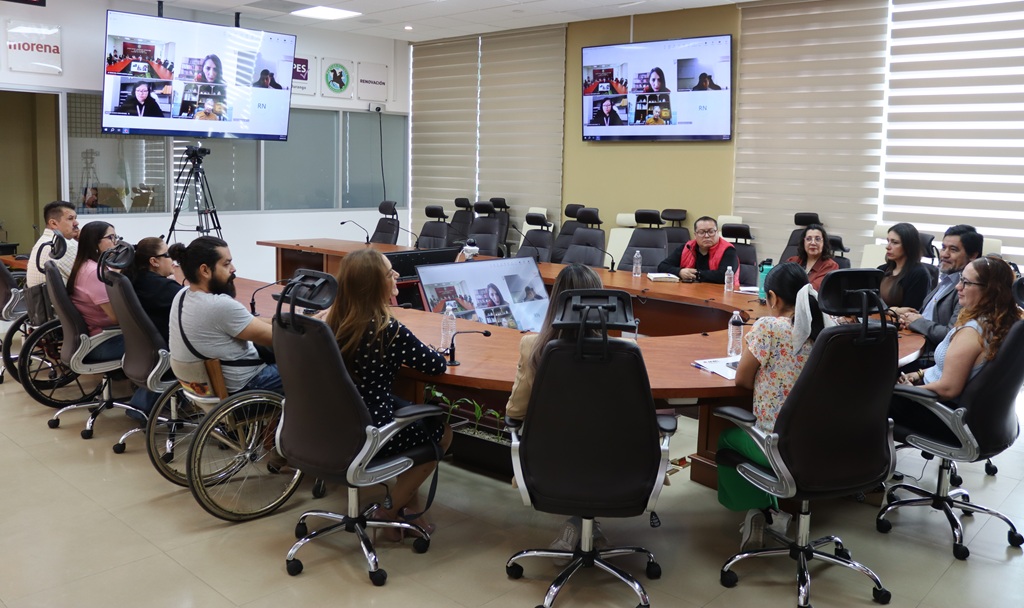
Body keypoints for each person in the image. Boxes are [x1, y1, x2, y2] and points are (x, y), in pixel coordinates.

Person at [325, 249, 450, 536]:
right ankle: (390, 511)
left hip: (335, 421)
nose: (395, 276)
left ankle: (408, 512)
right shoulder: (387, 328)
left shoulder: (331, 321)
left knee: (413, 415)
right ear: (373, 285)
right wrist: (431, 349)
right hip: (371, 426)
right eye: (388, 273)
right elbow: (436, 366)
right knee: (439, 434)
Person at [717, 262, 829, 550]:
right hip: (820, 443)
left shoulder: (769, 327)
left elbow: (742, 380)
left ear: (773, 297)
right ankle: (774, 513)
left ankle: (758, 512)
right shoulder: (825, 331)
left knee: (728, 439)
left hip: (777, 445)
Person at [505, 264, 605, 562]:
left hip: (549, 461)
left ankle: (579, 524)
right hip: (613, 461)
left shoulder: (533, 347)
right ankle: (584, 523)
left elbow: (516, 410)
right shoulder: (624, 351)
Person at [892, 256, 1021, 435]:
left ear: (991, 290)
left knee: (866, 397)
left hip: (942, 415)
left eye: (966, 283)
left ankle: (866, 459)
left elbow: (948, 389)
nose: (957, 287)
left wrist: (909, 390)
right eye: (961, 279)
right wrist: (919, 374)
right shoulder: (1002, 321)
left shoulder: (973, 332)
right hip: (966, 414)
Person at [168, 236, 282, 395]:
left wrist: (290, 320)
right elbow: (279, 338)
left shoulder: (181, 296)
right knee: (311, 363)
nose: (233, 268)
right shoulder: (219, 305)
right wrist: (313, 327)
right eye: (226, 264)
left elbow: (248, 321)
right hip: (246, 387)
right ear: (205, 270)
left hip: (204, 389)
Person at [892, 225, 982, 370]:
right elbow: (925, 316)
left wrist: (917, 322)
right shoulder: (945, 280)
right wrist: (908, 319)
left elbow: (952, 335)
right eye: (943, 247)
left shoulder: (967, 290)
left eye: (953, 250)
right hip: (914, 344)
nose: (944, 254)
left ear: (973, 256)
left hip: (930, 360)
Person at [67, 221, 124, 361]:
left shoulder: (86, 265)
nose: (115, 242)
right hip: (102, 341)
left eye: (116, 237)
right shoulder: (94, 273)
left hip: (97, 335)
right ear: (95, 242)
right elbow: (116, 318)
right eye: (111, 238)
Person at [657, 216, 740, 287]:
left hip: (720, 294)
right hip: (691, 292)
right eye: (701, 232)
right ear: (695, 235)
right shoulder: (687, 247)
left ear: (717, 233)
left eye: (711, 232)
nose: (707, 236)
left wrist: (696, 274)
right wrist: (680, 272)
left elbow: (723, 276)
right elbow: (662, 266)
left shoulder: (728, 250)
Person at [131, 236, 184, 345]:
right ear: (154, 261)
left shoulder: (138, 279)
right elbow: (196, 303)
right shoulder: (163, 287)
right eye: (168, 255)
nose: (172, 260)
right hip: (173, 344)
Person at [878, 222, 932, 310]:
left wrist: (887, 311)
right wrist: (893, 310)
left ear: (908, 246)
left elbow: (909, 312)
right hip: (874, 320)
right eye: (888, 241)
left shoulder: (919, 274)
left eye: (895, 242)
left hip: (898, 323)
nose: (888, 247)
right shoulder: (881, 270)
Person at [26, 201, 80, 288]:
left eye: (75, 218)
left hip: (41, 300)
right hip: (63, 301)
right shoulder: (64, 246)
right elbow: (95, 277)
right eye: (70, 218)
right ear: (53, 223)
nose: (76, 223)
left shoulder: (43, 241)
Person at [785, 223, 839, 290]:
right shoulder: (792, 261)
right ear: (803, 242)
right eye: (808, 239)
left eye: (817, 239)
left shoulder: (830, 266)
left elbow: (813, 290)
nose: (813, 243)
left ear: (824, 243)